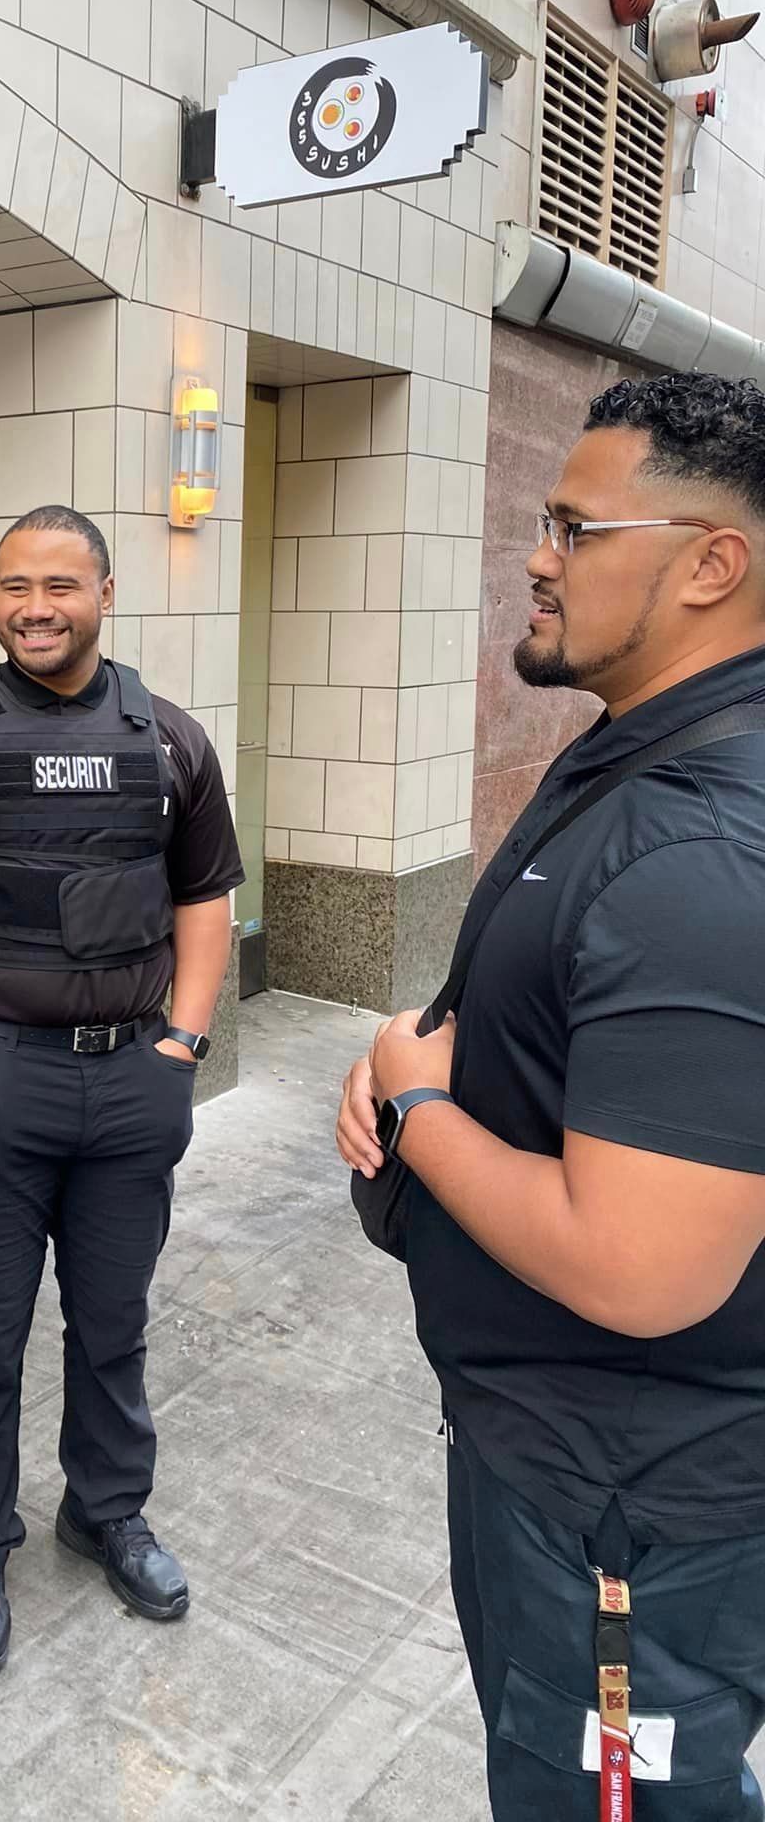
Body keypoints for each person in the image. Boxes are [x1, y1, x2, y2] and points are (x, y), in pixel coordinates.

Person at [336, 374, 765, 1817]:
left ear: (713, 565)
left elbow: (640, 1269)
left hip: (625, 1513)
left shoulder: (704, 854)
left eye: (576, 528)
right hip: (572, 1463)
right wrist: (424, 1072)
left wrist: (424, 1111)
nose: (536, 555)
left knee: (608, 1802)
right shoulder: (642, 750)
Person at [0, 505, 243, 1675]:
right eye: (15, 584)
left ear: (107, 593)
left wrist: (183, 1046)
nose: (35, 605)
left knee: (114, 1324)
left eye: (60, 584)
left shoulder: (169, 740)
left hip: (133, 1078)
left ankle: (106, 1510)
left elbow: (204, 897)